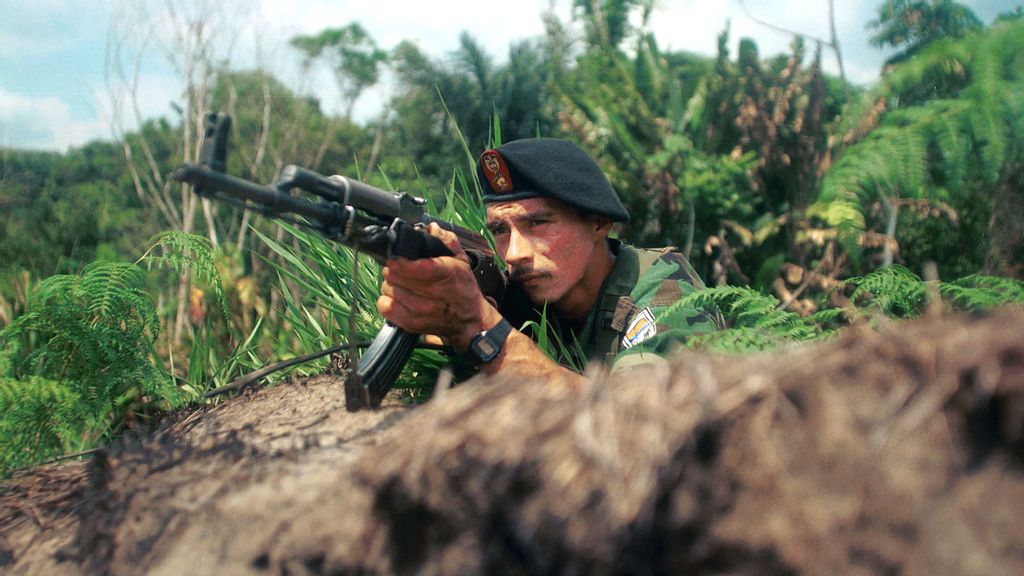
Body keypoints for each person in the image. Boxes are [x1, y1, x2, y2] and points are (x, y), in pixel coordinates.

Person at [376, 138, 721, 386]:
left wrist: (479, 325)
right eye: (499, 230)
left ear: (598, 222)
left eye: (537, 223)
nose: (514, 253)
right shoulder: (526, 296)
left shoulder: (666, 291)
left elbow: (640, 423)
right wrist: (444, 321)